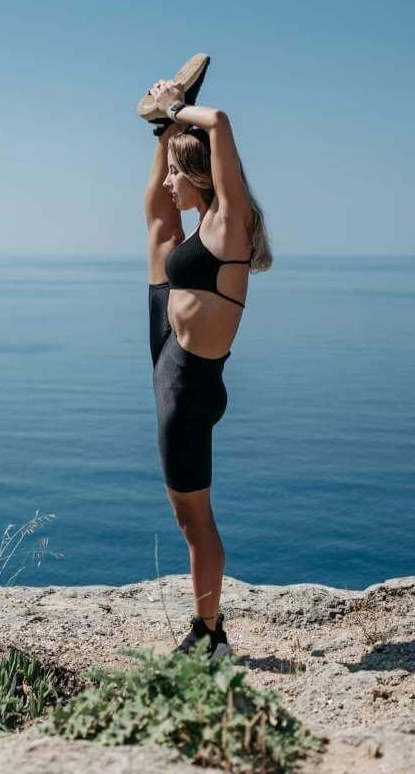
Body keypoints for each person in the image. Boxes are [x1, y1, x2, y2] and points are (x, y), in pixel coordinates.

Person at [144, 77, 272, 660]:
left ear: (197, 174)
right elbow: (161, 213)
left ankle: (210, 635)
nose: (171, 181)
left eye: (176, 169)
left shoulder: (228, 223)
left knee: (194, 522)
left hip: (190, 385)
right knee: (158, 231)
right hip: (174, 357)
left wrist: (178, 107)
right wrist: (167, 128)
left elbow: (217, 120)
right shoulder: (203, 228)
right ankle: (157, 128)